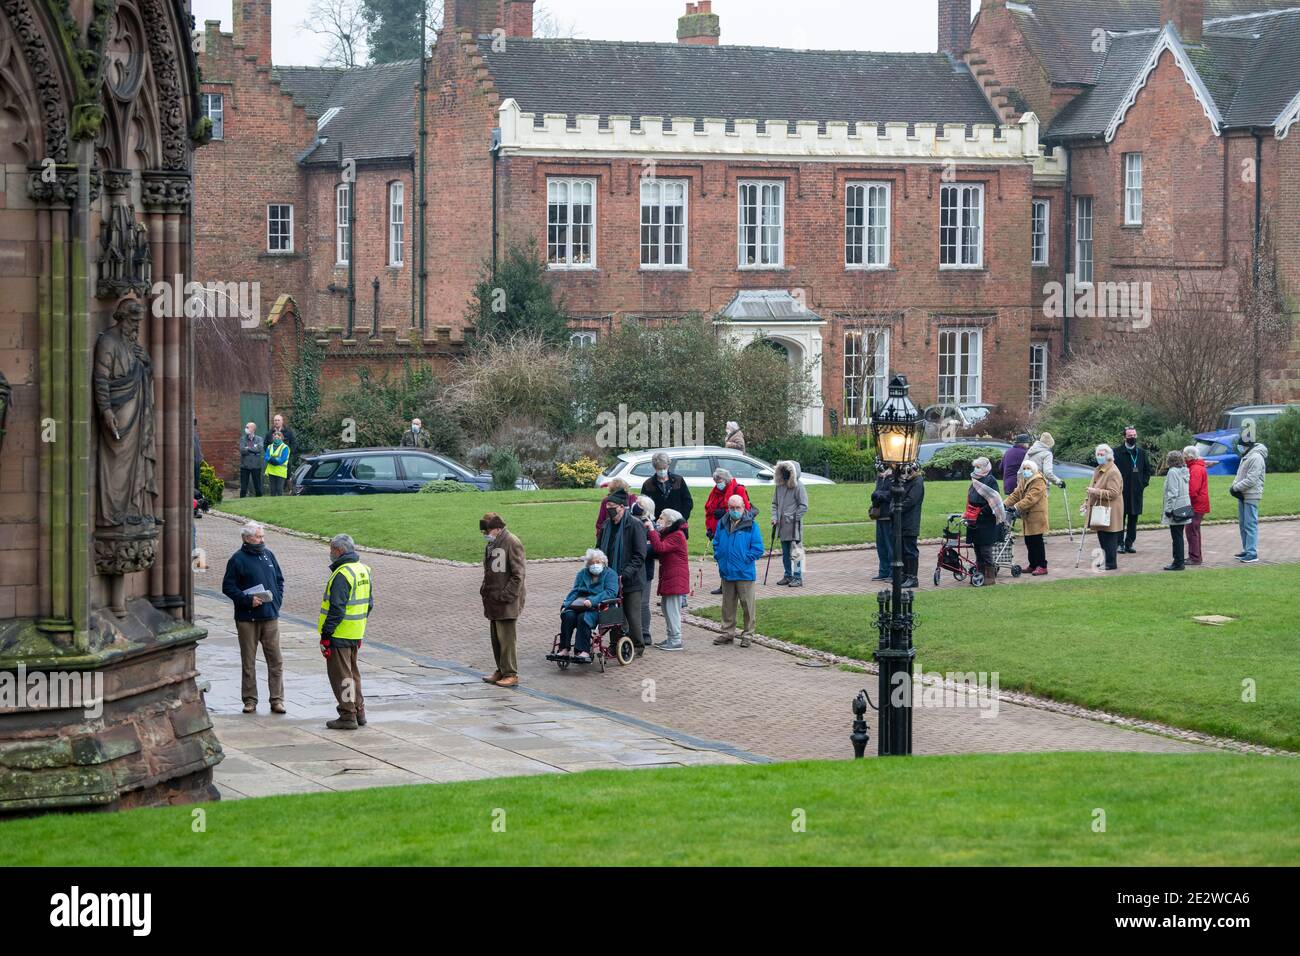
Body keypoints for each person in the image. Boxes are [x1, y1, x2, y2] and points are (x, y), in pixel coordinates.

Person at [221, 521, 285, 714]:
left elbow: (279, 580)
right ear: (247, 538)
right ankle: (250, 700)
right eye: (259, 536)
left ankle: (277, 700)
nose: (262, 539)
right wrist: (247, 600)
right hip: (247, 619)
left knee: (276, 660)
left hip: (270, 616)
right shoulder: (237, 559)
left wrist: (276, 601)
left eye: (262, 536)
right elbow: (228, 587)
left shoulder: (269, 555)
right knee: (248, 661)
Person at [319, 533, 373, 729]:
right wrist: (358, 628)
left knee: (342, 677)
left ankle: (347, 714)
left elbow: (337, 608)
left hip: (339, 633)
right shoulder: (363, 570)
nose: (330, 553)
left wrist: (326, 634)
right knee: (353, 674)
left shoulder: (342, 574)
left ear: (339, 551)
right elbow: (369, 604)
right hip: (355, 631)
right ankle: (359, 711)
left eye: (332, 549)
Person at [597, 490, 648, 655]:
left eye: (612, 506)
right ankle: (615, 644)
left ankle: (637, 646)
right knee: (613, 613)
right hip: (611, 578)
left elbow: (639, 555)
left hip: (631, 579)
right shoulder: (606, 526)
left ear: (622, 507)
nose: (610, 510)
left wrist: (625, 574)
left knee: (632, 615)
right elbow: (599, 550)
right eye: (607, 506)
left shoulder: (634, 525)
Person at [479, 513, 526, 686]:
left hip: (506, 602)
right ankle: (501, 669)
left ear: (497, 528)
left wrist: (506, 595)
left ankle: (511, 673)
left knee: (506, 640)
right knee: (496, 639)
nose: (486, 533)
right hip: (493, 601)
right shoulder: (493, 543)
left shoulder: (511, 542)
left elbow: (518, 575)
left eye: (488, 530)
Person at [712, 494, 765, 648]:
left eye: (738, 508)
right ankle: (727, 633)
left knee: (747, 605)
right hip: (727, 571)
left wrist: (744, 560)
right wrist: (720, 557)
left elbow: (758, 549)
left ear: (743, 508)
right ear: (728, 508)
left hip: (744, 573)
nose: (735, 510)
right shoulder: (722, 524)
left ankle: (748, 634)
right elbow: (716, 542)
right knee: (727, 605)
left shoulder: (751, 525)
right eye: (732, 508)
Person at [558, 549, 619, 662]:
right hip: (580, 605)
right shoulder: (582, 573)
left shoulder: (610, 574)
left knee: (583, 618)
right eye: (591, 563)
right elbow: (575, 591)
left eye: (597, 562)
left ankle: (583, 650)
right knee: (568, 616)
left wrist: (593, 600)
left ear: (603, 562)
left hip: (601, 607)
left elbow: (610, 592)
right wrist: (566, 604)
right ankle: (564, 649)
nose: (595, 565)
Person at [704, 467, 752, 594]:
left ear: (726, 479)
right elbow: (709, 512)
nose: (718, 483)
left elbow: (745, 509)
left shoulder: (738, 489)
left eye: (720, 480)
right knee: (722, 555)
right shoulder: (714, 492)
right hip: (720, 530)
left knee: (735, 555)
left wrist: (725, 512)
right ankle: (724, 584)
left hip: (737, 528)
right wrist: (709, 528)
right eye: (716, 481)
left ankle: (736, 584)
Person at [648, 508, 690, 651]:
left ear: (670, 522)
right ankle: (671, 637)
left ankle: (675, 639)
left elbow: (660, 548)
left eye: (661, 518)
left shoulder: (677, 535)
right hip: (670, 577)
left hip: (675, 578)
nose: (658, 521)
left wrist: (651, 530)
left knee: (672, 610)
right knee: (666, 608)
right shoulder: (670, 534)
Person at [1004, 458, 1050, 575]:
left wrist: (1015, 507)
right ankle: (1033, 564)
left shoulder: (1038, 481)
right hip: (1027, 516)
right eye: (1024, 468)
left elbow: (1031, 498)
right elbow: (1015, 494)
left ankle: (1042, 566)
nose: (1026, 471)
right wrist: (1003, 504)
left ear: (1033, 470)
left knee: (1037, 541)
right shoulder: (1024, 480)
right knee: (1029, 541)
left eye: (1028, 468)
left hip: (1036, 516)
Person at [1083, 443, 1125, 570]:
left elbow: (1113, 493)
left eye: (1102, 454)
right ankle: (1105, 560)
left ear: (1108, 456)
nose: (1099, 456)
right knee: (1102, 535)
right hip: (1100, 507)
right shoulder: (1098, 469)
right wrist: (1086, 502)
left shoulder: (1113, 472)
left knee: (1109, 536)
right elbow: (1092, 487)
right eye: (1097, 454)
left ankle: (1111, 563)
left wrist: (1095, 492)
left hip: (1110, 509)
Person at [965, 456, 1006, 585]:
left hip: (986, 520)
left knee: (985, 549)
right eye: (975, 467)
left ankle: (990, 576)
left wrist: (982, 511)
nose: (976, 469)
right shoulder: (975, 480)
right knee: (977, 548)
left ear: (985, 468)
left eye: (979, 467)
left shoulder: (990, 480)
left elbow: (994, 500)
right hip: (974, 519)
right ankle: (980, 573)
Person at [1114, 426, 1153, 553]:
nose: (1132, 438)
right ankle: (1119, 543)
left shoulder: (1141, 453)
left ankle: (1129, 543)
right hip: (1121, 492)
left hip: (1136, 492)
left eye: (1134, 435)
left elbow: (1148, 471)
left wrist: (1143, 484)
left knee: (1133, 518)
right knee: (1120, 518)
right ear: (1124, 437)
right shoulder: (1116, 452)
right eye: (1130, 436)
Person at [1230, 437, 1268, 564]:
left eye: (1241, 446)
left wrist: (1235, 487)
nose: (1239, 448)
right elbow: (1241, 475)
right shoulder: (1247, 455)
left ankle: (1252, 553)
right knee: (1243, 523)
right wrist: (1235, 487)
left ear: (1246, 446)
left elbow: (1252, 479)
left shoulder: (1256, 457)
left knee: (1250, 524)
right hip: (1242, 494)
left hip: (1251, 494)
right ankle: (1247, 549)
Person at [772, 460, 808, 587]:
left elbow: (803, 506)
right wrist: (775, 517)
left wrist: (793, 517)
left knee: (796, 552)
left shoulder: (799, 486)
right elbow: (775, 504)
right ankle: (788, 575)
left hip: (794, 526)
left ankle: (798, 577)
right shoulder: (779, 486)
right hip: (781, 525)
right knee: (785, 552)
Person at [640, 453, 695, 537]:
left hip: (678, 524)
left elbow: (688, 502)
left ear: (668, 465)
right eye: (659, 469)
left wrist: (682, 519)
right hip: (658, 526)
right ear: (655, 468)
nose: (662, 471)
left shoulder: (678, 480)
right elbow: (644, 506)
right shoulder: (648, 484)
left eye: (664, 468)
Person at [1160, 451, 1193, 571]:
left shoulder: (1173, 472)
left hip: (1176, 507)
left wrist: (1168, 509)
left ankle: (1178, 562)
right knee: (1179, 535)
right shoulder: (1184, 470)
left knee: (1177, 537)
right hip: (1184, 505)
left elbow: (1172, 493)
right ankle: (1179, 561)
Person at [633, 494, 658, 646]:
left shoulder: (652, 525)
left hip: (645, 570)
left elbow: (654, 548)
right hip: (630, 568)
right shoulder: (630, 521)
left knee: (643, 603)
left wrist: (639, 550)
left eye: (640, 504)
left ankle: (644, 632)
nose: (636, 505)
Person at [899, 465, 925, 588]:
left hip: (911, 521)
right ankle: (904, 575)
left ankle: (912, 577)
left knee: (910, 550)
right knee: (902, 550)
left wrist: (897, 508)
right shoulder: (906, 481)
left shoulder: (917, 482)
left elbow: (911, 500)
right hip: (901, 521)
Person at [1183, 445, 1210, 565]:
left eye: (1184, 455)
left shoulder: (1195, 469)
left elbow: (1193, 490)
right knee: (1194, 529)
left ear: (1189, 456)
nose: (1183, 457)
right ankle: (1195, 556)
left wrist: (1185, 500)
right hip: (1198, 503)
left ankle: (1195, 557)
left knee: (1191, 530)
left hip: (1196, 504)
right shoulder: (1196, 467)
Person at [870, 463, 894, 582]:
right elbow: (876, 492)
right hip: (880, 515)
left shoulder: (894, 475)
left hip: (889, 515)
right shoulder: (881, 476)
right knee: (881, 546)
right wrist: (880, 478)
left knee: (890, 546)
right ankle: (883, 571)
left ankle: (892, 572)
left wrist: (878, 495)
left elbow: (891, 495)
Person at [595, 478, 630, 543]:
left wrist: (599, 538)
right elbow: (601, 523)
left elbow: (600, 522)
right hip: (610, 533)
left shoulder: (606, 500)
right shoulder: (633, 498)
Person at [238, 422, 264, 498]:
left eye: (247, 427)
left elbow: (259, 449)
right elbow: (242, 450)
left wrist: (248, 448)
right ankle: (241, 500)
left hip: (256, 466)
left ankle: (259, 500)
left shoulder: (259, 439)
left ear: (253, 429)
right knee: (243, 486)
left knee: (257, 486)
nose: (246, 429)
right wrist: (253, 450)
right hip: (245, 466)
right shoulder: (243, 439)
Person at [264, 429, 291, 496]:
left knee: (279, 490)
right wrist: (271, 459)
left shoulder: (285, 447)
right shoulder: (269, 446)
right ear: (273, 438)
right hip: (271, 471)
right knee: (272, 490)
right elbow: (266, 456)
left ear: (281, 438)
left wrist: (273, 460)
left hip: (280, 472)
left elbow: (283, 459)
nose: (276, 438)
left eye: (278, 437)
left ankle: (280, 504)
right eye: (275, 437)